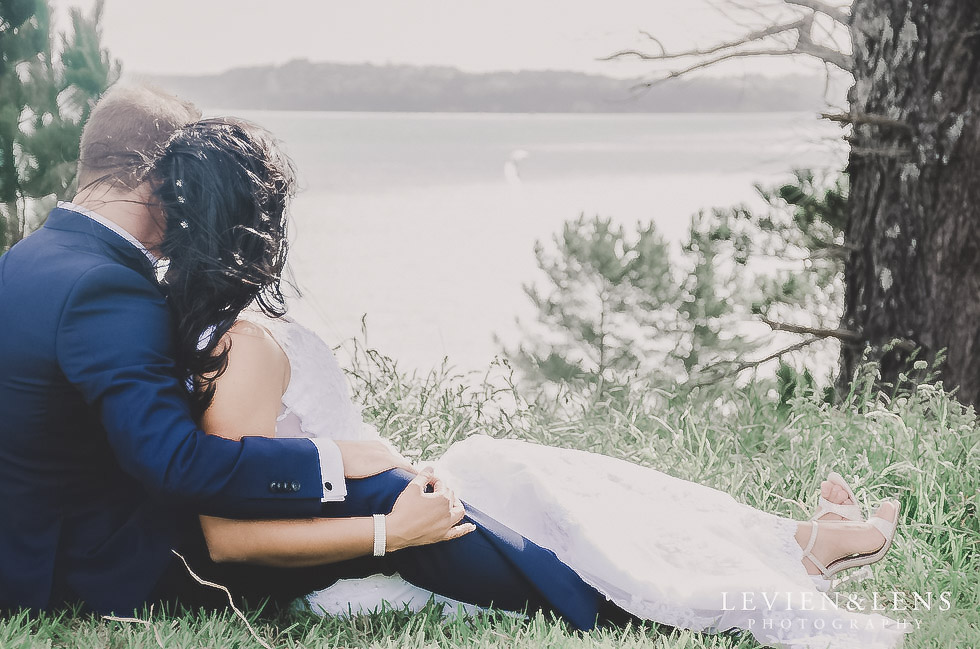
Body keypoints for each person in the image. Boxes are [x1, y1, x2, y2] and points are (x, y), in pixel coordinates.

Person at [149, 117, 911, 649]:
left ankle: (795, 541)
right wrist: (394, 531)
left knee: (574, 488)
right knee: (604, 584)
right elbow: (231, 535)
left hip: (413, 503)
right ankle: (798, 562)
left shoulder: (214, 328)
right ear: (254, 221)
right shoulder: (241, 347)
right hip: (403, 535)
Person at [0, 86, 519, 617]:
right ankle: (570, 601)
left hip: (36, 549)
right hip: (100, 572)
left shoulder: (25, 258)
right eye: (187, 183)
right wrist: (334, 460)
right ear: (154, 177)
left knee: (382, 489)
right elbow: (174, 462)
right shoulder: (105, 286)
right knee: (382, 491)